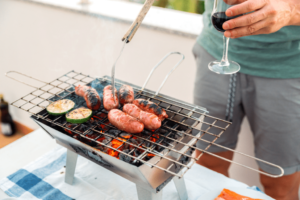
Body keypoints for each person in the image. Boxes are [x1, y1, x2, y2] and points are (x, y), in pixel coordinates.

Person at [193, 0, 300, 200]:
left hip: (287, 67)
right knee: (208, 169)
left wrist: (293, 10)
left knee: (279, 186)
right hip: (214, 52)